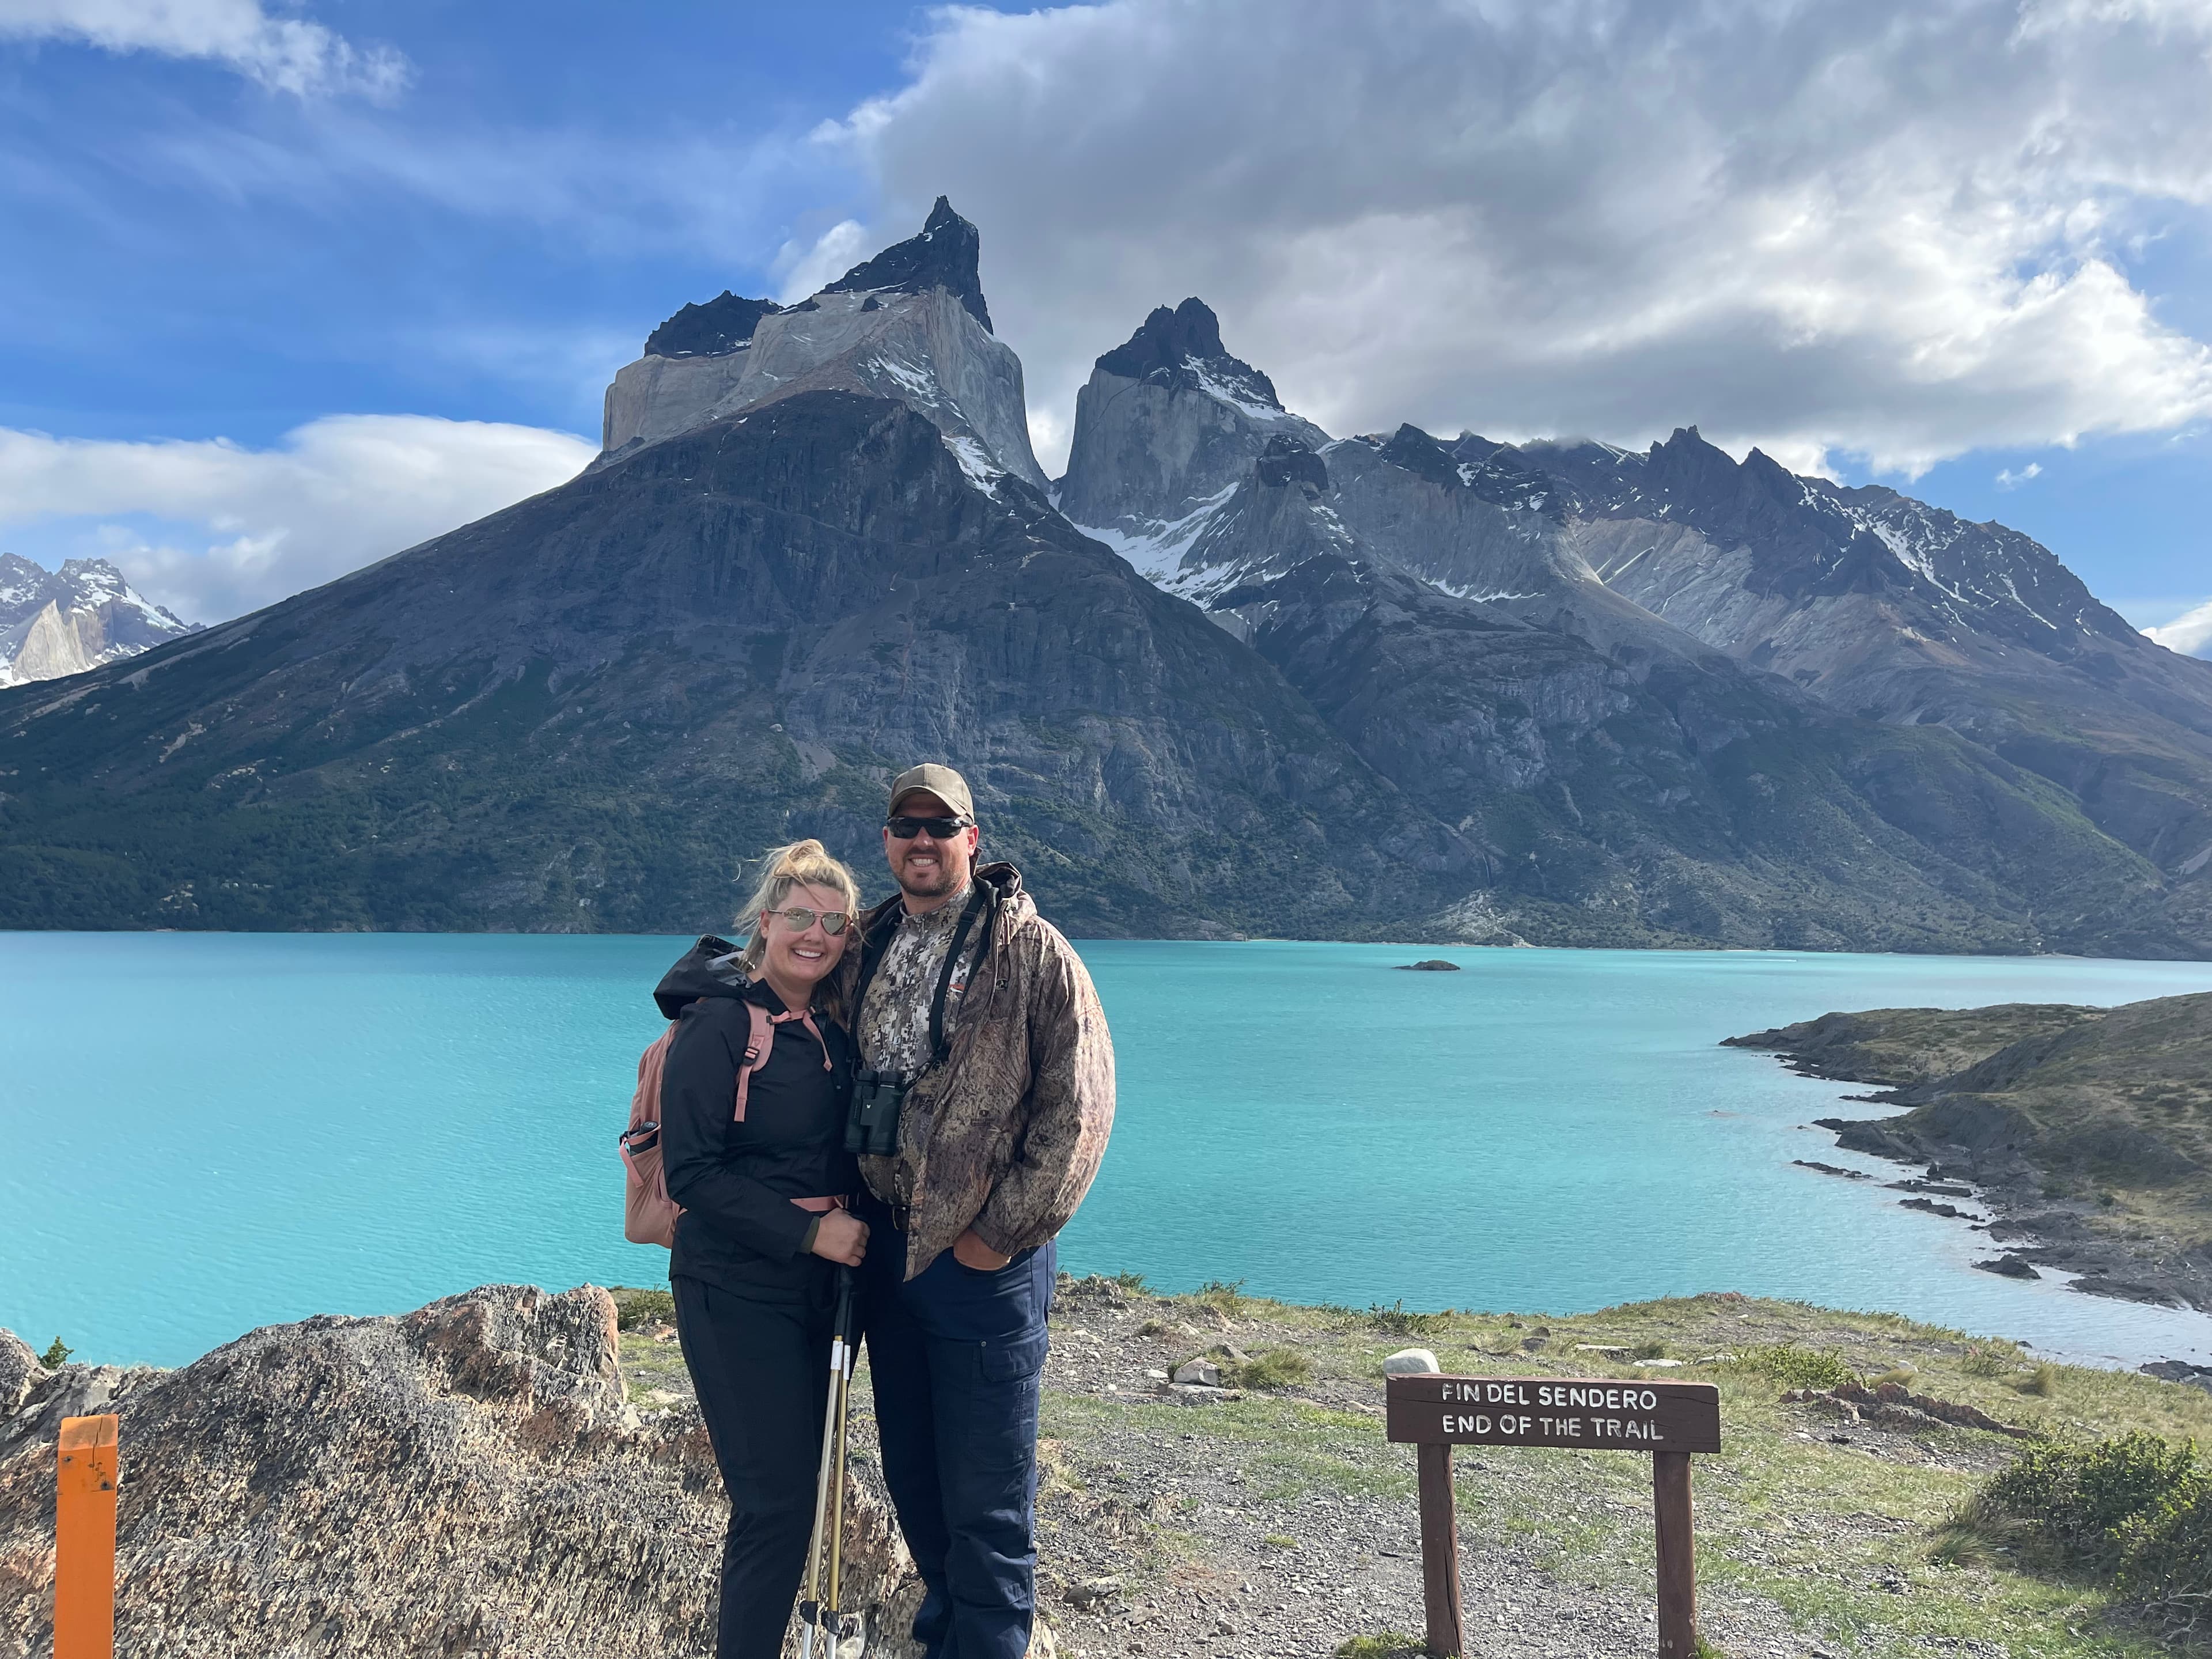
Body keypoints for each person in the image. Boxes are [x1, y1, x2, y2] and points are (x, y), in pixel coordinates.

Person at [849, 763, 1116, 1659]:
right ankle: (945, 1641)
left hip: (980, 1268)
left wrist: (994, 1237)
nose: (921, 840)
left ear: (973, 839)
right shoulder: (872, 941)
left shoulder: (1032, 952)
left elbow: (1080, 1111)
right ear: (887, 840)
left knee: (989, 1505)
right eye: (905, 824)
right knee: (917, 1485)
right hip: (888, 1252)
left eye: (941, 825)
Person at [657, 839, 872, 1659]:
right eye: (798, 919)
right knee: (774, 1505)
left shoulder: (831, 1027)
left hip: (818, 1290)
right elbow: (692, 1174)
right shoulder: (718, 1026)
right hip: (733, 1287)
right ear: (765, 922)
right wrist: (812, 1231)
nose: (814, 936)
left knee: (804, 1495)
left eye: (833, 923)